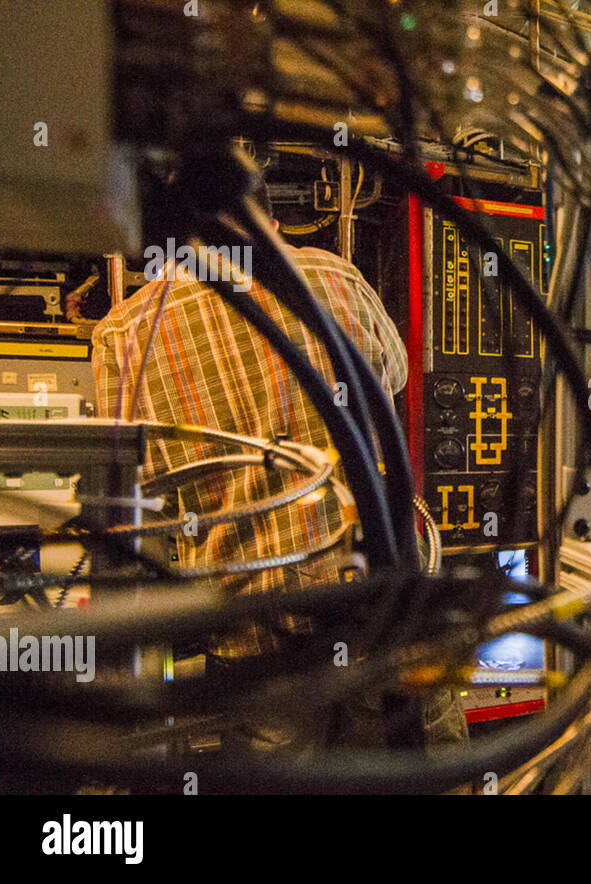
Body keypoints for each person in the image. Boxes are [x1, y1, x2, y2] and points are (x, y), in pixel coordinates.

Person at [92, 176, 467, 752]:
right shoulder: (332, 275)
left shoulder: (122, 334)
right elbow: (392, 381)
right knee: (422, 772)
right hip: (384, 613)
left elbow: (135, 490)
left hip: (255, 644)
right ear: (267, 217)